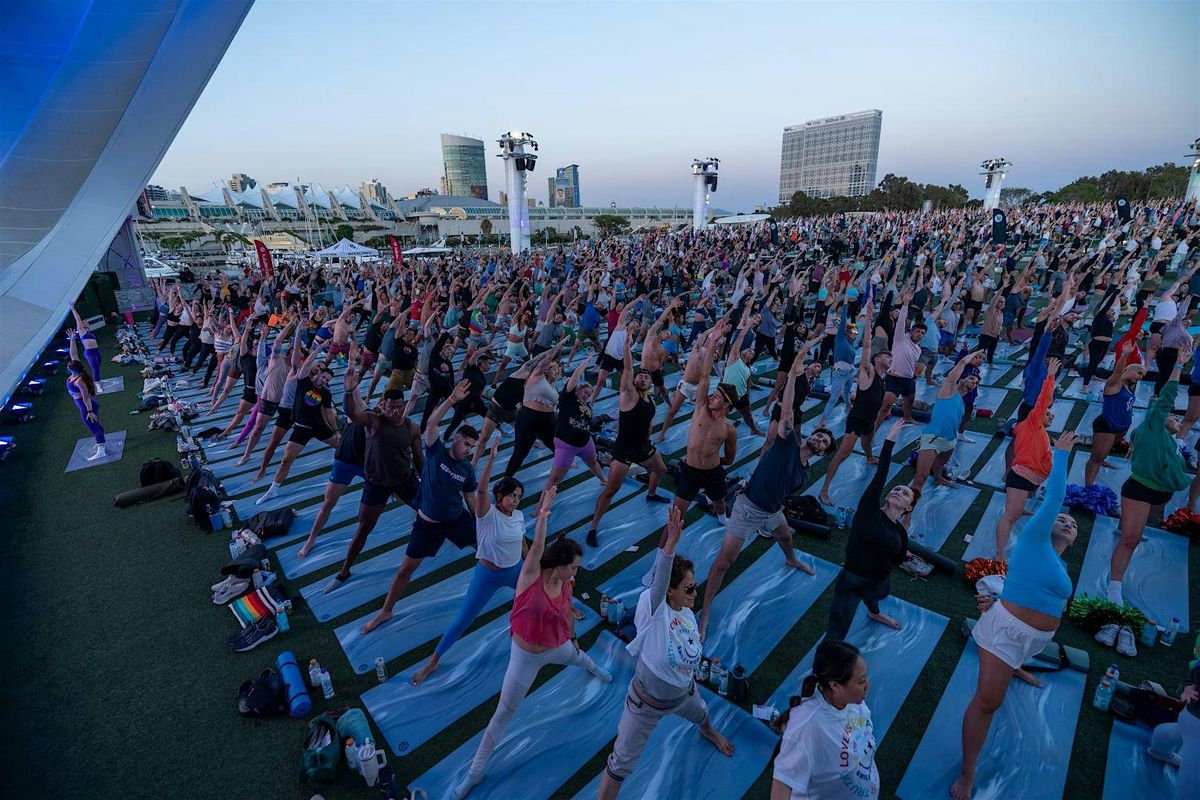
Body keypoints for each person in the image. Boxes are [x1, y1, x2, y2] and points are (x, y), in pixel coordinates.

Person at [454, 485, 612, 798]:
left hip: (556, 646)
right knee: (502, 715)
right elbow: (538, 545)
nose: (576, 572)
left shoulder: (567, 583)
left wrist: (574, 637)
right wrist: (542, 514)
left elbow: (566, 611)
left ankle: (595, 668)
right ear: (561, 563)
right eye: (574, 566)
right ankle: (474, 774)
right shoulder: (530, 575)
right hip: (524, 657)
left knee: (578, 657)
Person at [951, 432, 1079, 800]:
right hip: (1007, 632)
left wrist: (997, 597)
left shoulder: (1057, 562)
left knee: (1011, 668)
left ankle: (1015, 664)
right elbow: (1055, 498)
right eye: (1064, 519)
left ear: (1071, 541)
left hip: (1032, 640)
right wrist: (1062, 453)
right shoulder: (1035, 538)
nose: (1068, 523)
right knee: (989, 702)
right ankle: (967, 772)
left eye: (1073, 526)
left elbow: (1023, 585)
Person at [597, 506, 734, 799]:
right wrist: (669, 546)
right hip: (645, 705)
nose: (695, 593)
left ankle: (708, 731)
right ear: (670, 591)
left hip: (684, 694)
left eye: (695, 587)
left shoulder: (685, 613)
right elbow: (658, 584)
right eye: (689, 588)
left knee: (703, 715)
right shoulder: (652, 609)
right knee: (620, 764)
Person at [698, 354, 834, 641]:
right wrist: (796, 373)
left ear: (822, 452)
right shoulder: (788, 442)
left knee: (785, 537)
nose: (820, 439)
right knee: (724, 563)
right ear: (810, 435)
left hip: (773, 510)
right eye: (819, 435)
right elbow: (788, 411)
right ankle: (705, 612)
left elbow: (783, 488)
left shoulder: (806, 473)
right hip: (748, 509)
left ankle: (792, 559)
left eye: (824, 442)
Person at [361, 380, 479, 634]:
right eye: (465, 443)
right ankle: (386, 610)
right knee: (406, 569)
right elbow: (433, 423)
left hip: (457, 520)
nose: (467, 449)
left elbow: (470, 499)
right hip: (427, 526)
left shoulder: (467, 470)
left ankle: (525, 575)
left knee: (487, 546)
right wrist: (451, 400)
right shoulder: (436, 451)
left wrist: (481, 521)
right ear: (455, 438)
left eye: (471, 447)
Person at [410, 437, 524, 685]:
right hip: (488, 575)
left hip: (516, 570)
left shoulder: (519, 516)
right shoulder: (486, 514)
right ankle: (432, 662)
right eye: (512, 496)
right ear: (500, 496)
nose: (516, 500)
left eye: (518, 496)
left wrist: (531, 564)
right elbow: (481, 491)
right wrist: (492, 459)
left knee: (543, 592)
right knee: (463, 619)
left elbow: (523, 542)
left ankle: (563, 613)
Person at [321, 348, 423, 591]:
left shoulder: (412, 428)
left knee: (428, 510)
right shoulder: (373, 421)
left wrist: (426, 480)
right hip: (376, 484)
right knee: (363, 529)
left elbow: (419, 459)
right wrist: (348, 391)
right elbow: (351, 412)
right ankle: (344, 570)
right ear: (382, 406)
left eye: (399, 407)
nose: (395, 411)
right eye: (391, 407)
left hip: (404, 481)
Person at [1105, 349, 1193, 609]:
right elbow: (1166, 398)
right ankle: (1114, 586)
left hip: (1160, 495)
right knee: (1130, 539)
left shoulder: (1169, 439)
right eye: (1173, 416)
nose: (1176, 419)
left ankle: (1127, 523)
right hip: (1141, 490)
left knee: (1135, 529)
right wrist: (1178, 365)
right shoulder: (1154, 424)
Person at [824, 420, 914, 640]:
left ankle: (874, 613)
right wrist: (890, 440)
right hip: (852, 578)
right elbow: (881, 474)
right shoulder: (869, 510)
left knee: (874, 597)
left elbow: (899, 558)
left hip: (879, 581)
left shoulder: (900, 532)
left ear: (908, 507)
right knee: (837, 629)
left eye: (904, 493)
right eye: (896, 489)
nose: (898, 491)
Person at [584, 333, 671, 548]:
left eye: (646, 377)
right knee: (611, 490)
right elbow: (629, 369)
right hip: (623, 450)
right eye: (639, 376)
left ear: (651, 383)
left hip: (643, 447)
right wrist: (626, 347)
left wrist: (650, 440)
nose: (642, 378)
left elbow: (648, 422)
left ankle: (651, 494)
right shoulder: (628, 394)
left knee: (661, 470)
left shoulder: (650, 400)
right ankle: (593, 526)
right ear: (633, 380)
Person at [770, 640, 879, 800]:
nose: (867, 686)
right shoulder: (807, 727)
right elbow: (782, 782)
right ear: (836, 686)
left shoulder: (851, 700)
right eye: (861, 681)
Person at [255, 342, 339, 506]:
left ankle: (366, 467)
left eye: (327, 380)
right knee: (286, 461)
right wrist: (321, 347)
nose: (324, 381)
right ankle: (273, 490)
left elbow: (328, 413)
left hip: (319, 428)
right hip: (301, 429)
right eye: (323, 377)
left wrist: (335, 430)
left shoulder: (326, 394)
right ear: (317, 373)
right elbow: (307, 363)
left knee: (343, 446)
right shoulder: (303, 382)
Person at [671, 322, 738, 526]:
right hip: (690, 470)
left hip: (712, 472)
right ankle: (663, 554)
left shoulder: (728, 428)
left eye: (717, 397)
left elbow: (729, 457)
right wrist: (713, 343)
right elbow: (706, 374)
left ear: (726, 404)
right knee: (676, 514)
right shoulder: (701, 407)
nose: (711, 398)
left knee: (719, 500)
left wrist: (710, 459)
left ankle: (721, 516)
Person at [817, 315, 889, 505]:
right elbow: (866, 348)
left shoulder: (883, 378)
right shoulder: (869, 372)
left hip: (869, 420)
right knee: (843, 454)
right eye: (887, 356)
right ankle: (824, 490)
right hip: (857, 419)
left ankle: (870, 457)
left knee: (868, 442)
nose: (890, 358)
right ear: (877, 359)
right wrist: (870, 321)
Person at [993, 356, 1060, 559]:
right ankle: (1000, 554)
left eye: (1052, 416)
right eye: (1048, 414)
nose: (1050, 416)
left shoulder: (1041, 433)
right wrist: (1050, 377)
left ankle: (1020, 507)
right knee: (1010, 515)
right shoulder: (1032, 423)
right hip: (1022, 476)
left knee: (1016, 508)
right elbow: (1042, 401)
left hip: (1031, 478)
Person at [909, 351, 983, 494]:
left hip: (950, 441)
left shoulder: (961, 401)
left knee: (939, 467)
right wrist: (977, 351)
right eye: (971, 378)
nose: (974, 382)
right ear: (961, 379)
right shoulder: (948, 391)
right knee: (920, 479)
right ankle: (907, 513)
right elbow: (961, 363)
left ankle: (938, 478)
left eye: (976, 382)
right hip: (933, 439)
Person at [543, 354, 607, 492]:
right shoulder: (568, 398)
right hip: (566, 445)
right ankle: (541, 508)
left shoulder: (587, 406)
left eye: (589, 394)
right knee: (555, 479)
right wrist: (586, 361)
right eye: (585, 392)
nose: (586, 395)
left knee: (593, 462)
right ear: (578, 389)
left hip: (585, 442)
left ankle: (603, 480)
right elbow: (575, 377)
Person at [1083, 343, 1142, 486]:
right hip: (1108, 425)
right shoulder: (1114, 384)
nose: (1140, 377)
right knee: (1096, 458)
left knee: (1105, 451)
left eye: (1142, 375)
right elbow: (1117, 372)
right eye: (1139, 373)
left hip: (1121, 428)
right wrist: (1125, 355)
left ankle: (1102, 460)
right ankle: (1088, 487)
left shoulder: (1129, 388)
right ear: (1128, 369)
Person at [502, 345, 562, 477]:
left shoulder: (553, 386)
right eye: (553, 368)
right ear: (546, 370)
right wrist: (555, 349)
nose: (556, 370)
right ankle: (507, 478)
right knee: (520, 453)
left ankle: (561, 468)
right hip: (529, 417)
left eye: (557, 369)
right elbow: (544, 362)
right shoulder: (537, 376)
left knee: (556, 446)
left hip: (548, 419)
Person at [1146, 660, 1200, 800]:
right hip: (1195, 726)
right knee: (1189, 794)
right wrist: (1186, 688)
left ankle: (1159, 749)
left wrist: (1186, 688)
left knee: (1174, 733)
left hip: (1189, 720)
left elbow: (1193, 675)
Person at [66, 333, 106, 461]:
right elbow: (73, 353)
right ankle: (101, 442)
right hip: (84, 404)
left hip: (86, 405)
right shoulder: (76, 372)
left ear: (71, 369)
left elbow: (86, 397)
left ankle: (101, 450)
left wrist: (89, 411)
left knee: (93, 428)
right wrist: (72, 339)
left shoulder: (79, 381)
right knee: (96, 426)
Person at [68, 302, 103, 379]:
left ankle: (96, 380)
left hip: (96, 351)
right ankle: (97, 384)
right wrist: (73, 309)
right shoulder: (81, 331)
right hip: (89, 352)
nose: (85, 322)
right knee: (95, 369)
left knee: (97, 367)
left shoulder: (89, 332)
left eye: (86, 322)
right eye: (83, 322)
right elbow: (78, 320)